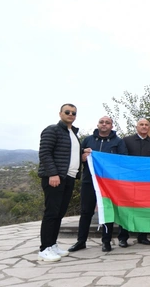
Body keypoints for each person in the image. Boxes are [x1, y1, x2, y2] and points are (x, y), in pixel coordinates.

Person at [68, 116, 127, 253]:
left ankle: (106, 242)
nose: (104, 124)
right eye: (102, 122)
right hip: (89, 181)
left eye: (107, 123)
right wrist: (83, 156)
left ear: (112, 126)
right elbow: (78, 157)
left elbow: (122, 160)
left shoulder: (118, 142)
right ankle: (80, 241)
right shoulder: (88, 140)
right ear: (98, 124)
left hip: (108, 184)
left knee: (107, 211)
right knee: (85, 212)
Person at [37, 103, 85, 262]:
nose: (71, 114)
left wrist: (84, 154)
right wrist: (53, 173)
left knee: (59, 213)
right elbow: (45, 153)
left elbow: (70, 154)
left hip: (69, 178)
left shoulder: (73, 133)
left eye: (73, 113)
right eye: (67, 112)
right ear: (60, 113)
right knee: (51, 212)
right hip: (56, 178)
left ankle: (52, 244)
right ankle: (44, 248)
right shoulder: (52, 130)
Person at [119, 118, 150, 247]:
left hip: (147, 183)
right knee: (126, 209)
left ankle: (143, 236)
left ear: (149, 127)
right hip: (129, 182)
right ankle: (123, 237)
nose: (144, 127)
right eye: (141, 124)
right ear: (136, 127)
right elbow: (122, 160)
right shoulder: (126, 141)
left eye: (146, 125)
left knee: (145, 209)